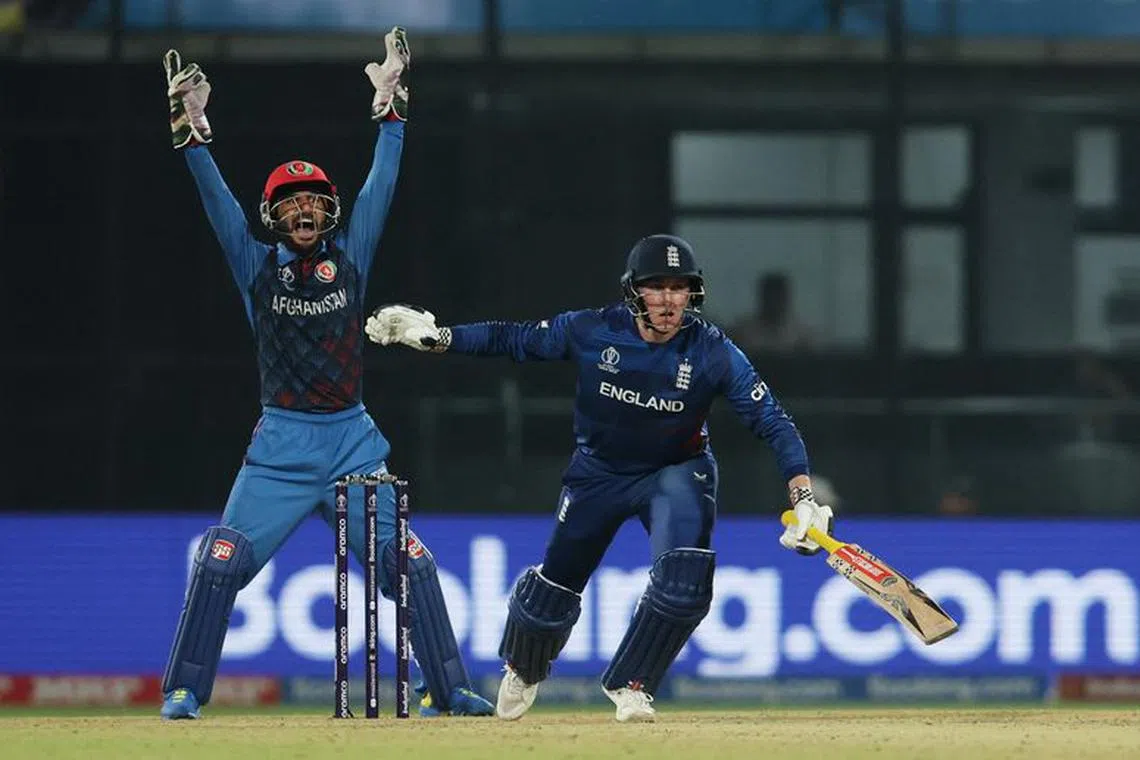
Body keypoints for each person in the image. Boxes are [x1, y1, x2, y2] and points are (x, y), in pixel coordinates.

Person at [158, 29, 492, 720]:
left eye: (313, 201)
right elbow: (215, 203)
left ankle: (451, 688)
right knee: (219, 562)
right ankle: (185, 691)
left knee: (416, 567)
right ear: (274, 216)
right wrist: (193, 133)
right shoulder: (256, 267)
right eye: (290, 203)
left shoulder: (354, 253)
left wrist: (391, 106)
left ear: (329, 211)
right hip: (278, 450)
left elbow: (383, 183)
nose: (303, 209)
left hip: (352, 448)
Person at [364, 234, 835, 722]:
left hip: (675, 471)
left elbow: (773, 421)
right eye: (658, 287)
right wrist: (440, 338)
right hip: (599, 474)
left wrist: (802, 495)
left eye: (680, 288)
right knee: (556, 587)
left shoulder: (712, 351)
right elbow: (514, 338)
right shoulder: (593, 330)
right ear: (634, 291)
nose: (670, 300)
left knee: (686, 581)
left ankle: (632, 685)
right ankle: (525, 667)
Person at [728, 271, 815, 353]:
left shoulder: (801, 337)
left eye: (778, 298)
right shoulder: (743, 333)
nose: (774, 303)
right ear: (763, 298)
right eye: (771, 297)